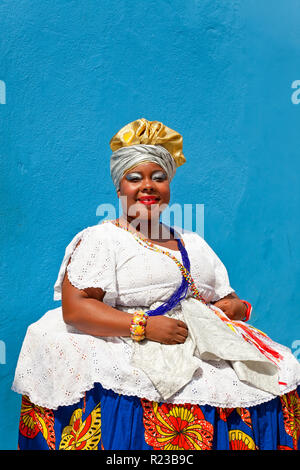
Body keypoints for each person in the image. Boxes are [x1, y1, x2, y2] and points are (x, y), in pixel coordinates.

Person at [13, 118, 300, 451]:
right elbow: (75, 309)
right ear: (119, 187)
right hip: (132, 344)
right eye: (134, 178)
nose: (147, 186)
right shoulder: (102, 240)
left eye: (158, 178)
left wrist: (234, 308)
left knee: (278, 375)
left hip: (200, 344)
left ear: (169, 187)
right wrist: (144, 327)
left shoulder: (192, 242)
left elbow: (229, 297)